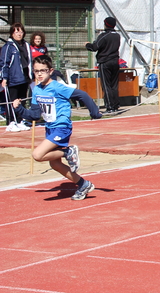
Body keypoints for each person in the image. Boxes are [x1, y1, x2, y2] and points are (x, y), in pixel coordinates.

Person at [11, 55, 102, 199]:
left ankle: (67, 152)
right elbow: (34, 115)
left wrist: (94, 112)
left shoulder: (58, 87)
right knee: (55, 164)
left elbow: (82, 95)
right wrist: (19, 109)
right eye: (36, 71)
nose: (39, 74)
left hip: (62, 127)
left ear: (51, 71)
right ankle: (83, 184)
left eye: (43, 70)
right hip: (50, 128)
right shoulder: (36, 90)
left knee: (37, 155)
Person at [85, 17, 122, 114]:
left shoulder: (104, 35)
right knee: (114, 84)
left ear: (106, 24)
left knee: (106, 85)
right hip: (115, 61)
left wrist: (88, 45)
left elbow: (95, 47)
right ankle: (115, 105)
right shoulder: (117, 35)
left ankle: (110, 107)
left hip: (105, 62)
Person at [1, 23, 33, 130]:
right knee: (12, 100)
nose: (19, 34)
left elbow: (29, 61)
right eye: (16, 32)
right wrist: (4, 78)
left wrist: (31, 75)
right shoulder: (8, 47)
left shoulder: (26, 45)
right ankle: (11, 121)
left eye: (21, 31)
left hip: (24, 77)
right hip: (13, 78)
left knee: (22, 99)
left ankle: (20, 120)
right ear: (12, 33)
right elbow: (4, 63)